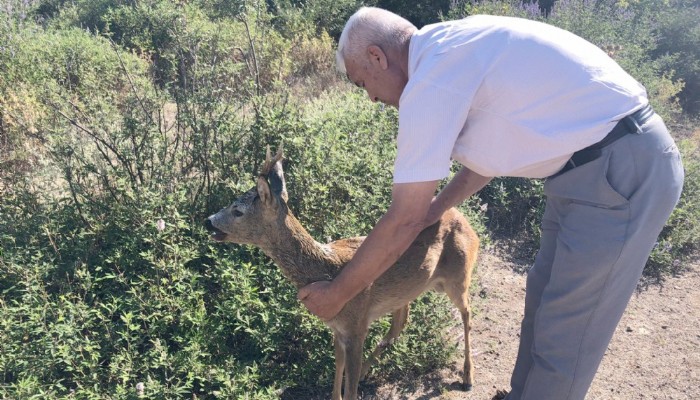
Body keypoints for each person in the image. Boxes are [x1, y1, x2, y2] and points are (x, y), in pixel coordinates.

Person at [297, 7, 684, 400]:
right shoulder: (448, 50)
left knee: (567, 333)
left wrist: (338, 293)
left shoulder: (432, 80)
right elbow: (485, 162)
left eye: (363, 82)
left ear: (378, 57)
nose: (372, 98)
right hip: (586, 171)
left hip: (619, 168)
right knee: (543, 302)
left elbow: (403, 220)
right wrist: (435, 209)